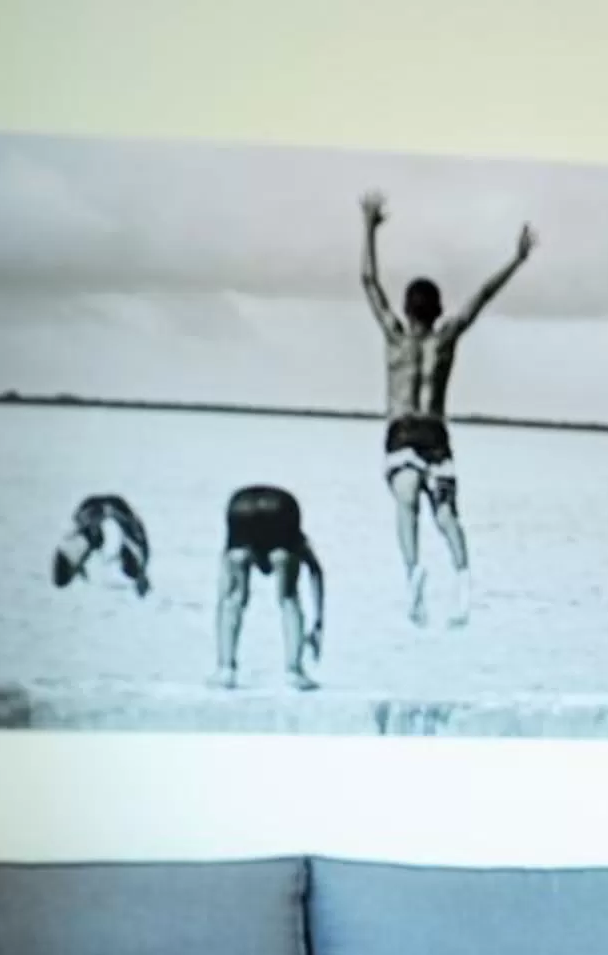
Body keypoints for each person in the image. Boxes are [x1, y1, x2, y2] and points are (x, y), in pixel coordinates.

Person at [360, 192, 536, 628]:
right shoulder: (448, 338)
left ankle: (412, 574)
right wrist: (517, 260)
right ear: (438, 309)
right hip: (436, 435)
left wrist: (368, 227)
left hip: (402, 432)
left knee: (406, 506)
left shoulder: (395, 338)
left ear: (407, 308)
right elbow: (481, 296)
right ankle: (463, 587)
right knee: (445, 515)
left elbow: (368, 282)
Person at [213, 484, 324, 691]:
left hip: (241, 509)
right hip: (280, 512)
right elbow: (316, 572)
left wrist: (224, 599)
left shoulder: (239, 549)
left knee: (234, 598)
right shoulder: (296, 543)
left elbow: (224, 593)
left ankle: (226, 669)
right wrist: (318, 623)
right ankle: (294, 671)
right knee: (288, 598)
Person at [50, 493, 151, 597]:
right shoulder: (139, 550)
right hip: (103, 511)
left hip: (102, 511)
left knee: (95, 537)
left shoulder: (138, 550)